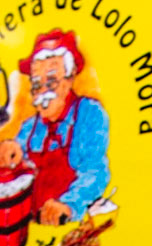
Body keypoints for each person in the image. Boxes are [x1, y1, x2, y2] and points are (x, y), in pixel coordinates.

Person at [16, 31, 110, 226]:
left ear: (69, 77)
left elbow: (94, 171)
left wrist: (68, 205)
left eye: (50, 80)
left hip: (69, 227)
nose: (43, 90)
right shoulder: (28, 129)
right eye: (36, 83)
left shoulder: (88, 114)